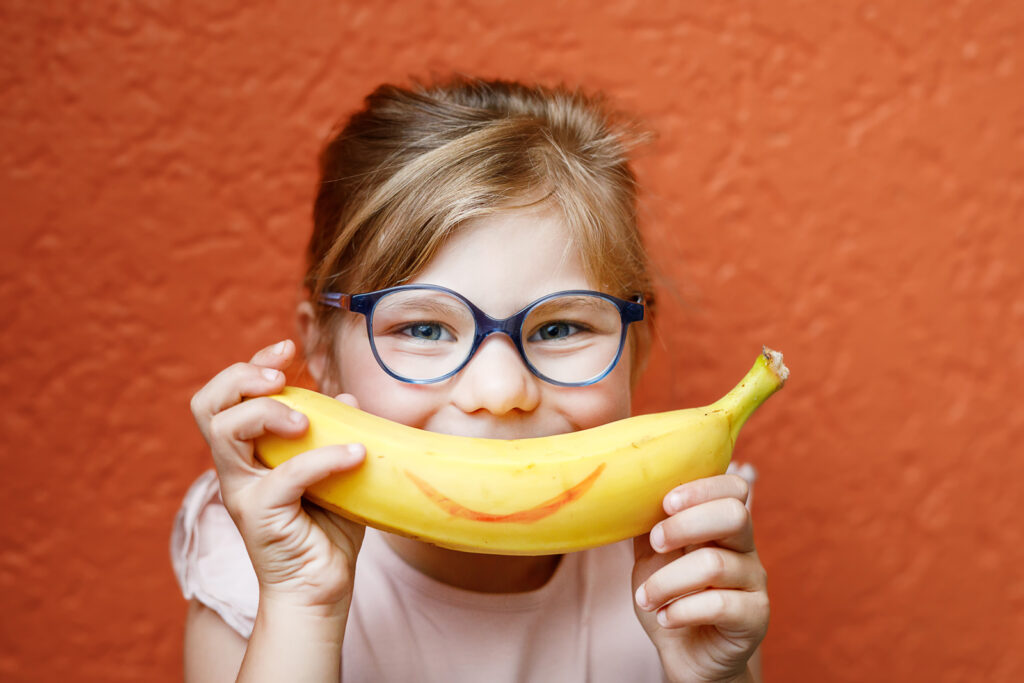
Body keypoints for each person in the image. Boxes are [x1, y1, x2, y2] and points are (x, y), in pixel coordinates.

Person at [173, 77, 768, 682]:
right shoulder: (262, 569)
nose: (500, 391)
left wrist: (714, 677)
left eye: (561, 328)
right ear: (320, 350)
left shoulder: (686, 561)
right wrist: (301, 607)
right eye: (426, 329)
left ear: (636, 346)